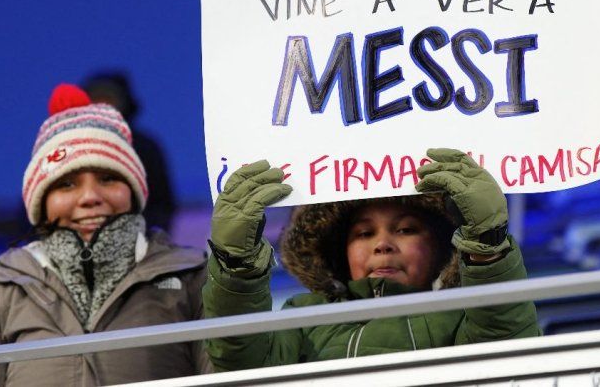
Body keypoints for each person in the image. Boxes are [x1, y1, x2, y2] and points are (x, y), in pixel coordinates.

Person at [0, 84, 211, 386]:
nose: (89, 197)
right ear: (41, 203)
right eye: (67, 185)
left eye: (108, 178)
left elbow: (229, 377)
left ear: (134, 192)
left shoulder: (190, 277)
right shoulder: (7, 286)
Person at [203, 148, 539, 370]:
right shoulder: (302, 316)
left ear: (442, 245)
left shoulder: (462, 316)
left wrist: (486, 243)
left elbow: (505, 346)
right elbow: (240, 361)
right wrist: (237, 266)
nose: (383, 245)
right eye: (364, 234)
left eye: (406, 230)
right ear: (339, 250)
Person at [83, 72, 177, 233]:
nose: (102, 107)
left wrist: (147, 238)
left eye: (109, 100)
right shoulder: (67, 146)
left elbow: (162, 204)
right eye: (95, 100)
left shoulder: (145, 148)